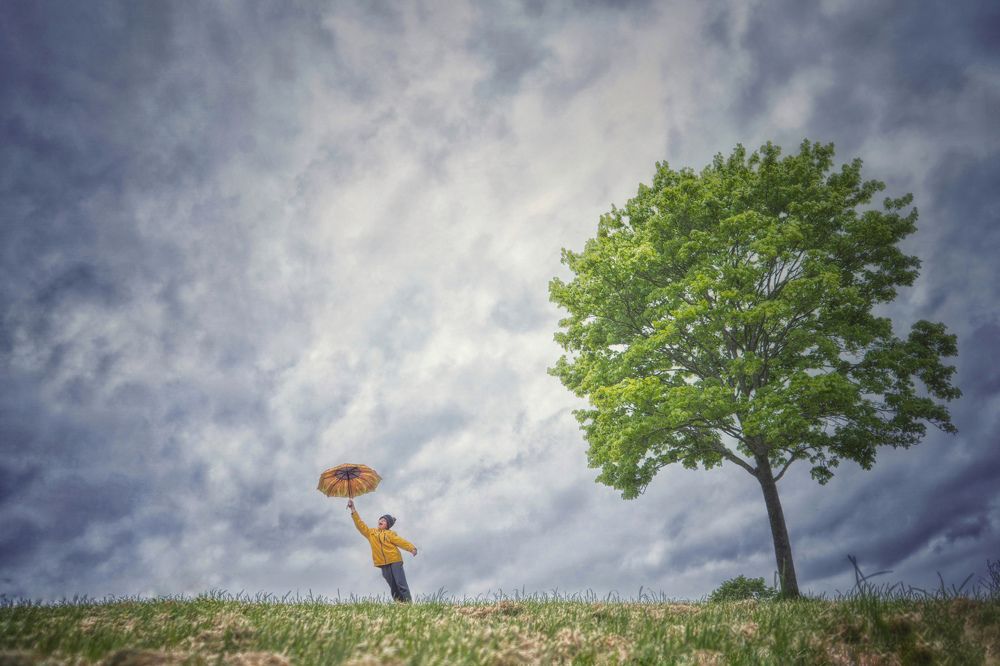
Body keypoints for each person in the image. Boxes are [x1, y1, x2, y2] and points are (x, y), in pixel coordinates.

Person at [347, 498, 418, 602]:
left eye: (384, 520)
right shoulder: (371, 533)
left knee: (400, 583)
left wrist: (411, 548)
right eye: (380, 519)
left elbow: (400, 541)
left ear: (387, 525)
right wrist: (352, 508)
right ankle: (400, 606)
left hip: (394, 560)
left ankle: (409, 604)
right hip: (382, 563)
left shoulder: (390, 534)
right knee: (393, 586)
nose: (381, 521)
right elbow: (360, 525)